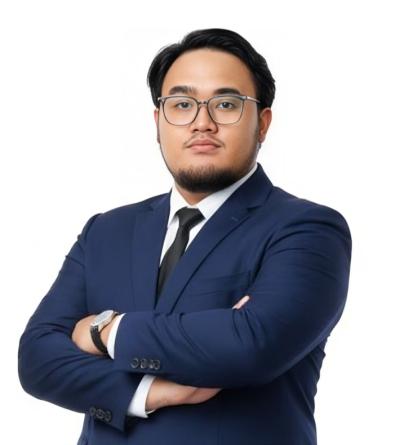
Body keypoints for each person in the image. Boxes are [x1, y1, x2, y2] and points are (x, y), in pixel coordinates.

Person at [18, 28, 352, 445]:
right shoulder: (106, 230)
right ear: (158, 122)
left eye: (226, 104)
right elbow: (37, 359)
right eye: (181, 104)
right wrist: (146, 393)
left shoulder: (307, 229)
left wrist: (105, 331)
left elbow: (251, 344)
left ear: (262, 123)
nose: (202, 123)